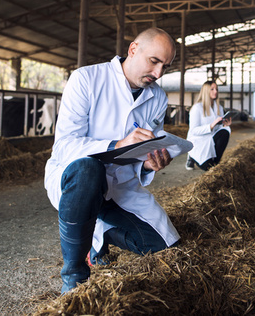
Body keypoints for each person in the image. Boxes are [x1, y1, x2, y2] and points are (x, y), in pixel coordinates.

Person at [44, 27, 180, 293]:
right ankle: (74, 275)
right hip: (77, 183)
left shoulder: (158, 98)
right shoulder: (86, 79)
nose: (158, 74)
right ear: (133, 49)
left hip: (120, 187)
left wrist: (148, 163)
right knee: (88, 169)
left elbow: (144, 151)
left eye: (165, 66)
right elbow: (64, 146)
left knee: (163, 245)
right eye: (154, 61)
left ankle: (99, 231)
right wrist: (116, 144)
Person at [185, 80, 231, 171]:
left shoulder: (219, 107)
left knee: (225, 132)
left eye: (217, 89)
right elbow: (194, 130)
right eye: (212, 89)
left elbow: (219, 128)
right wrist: (211, 125)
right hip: (198, 141)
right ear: (206, 91)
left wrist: (225, 125)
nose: (216, 91)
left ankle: (216, 162)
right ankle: (192, 156)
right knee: (207, 168)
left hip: (211, 138)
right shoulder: (197, 108)